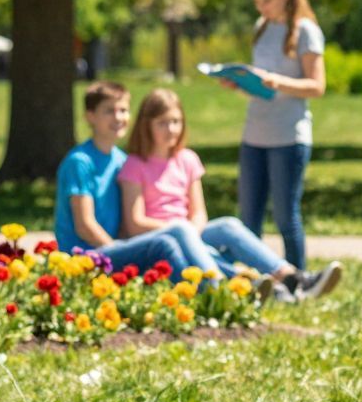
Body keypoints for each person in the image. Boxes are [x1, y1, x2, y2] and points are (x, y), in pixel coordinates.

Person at [118, 88, 341, 300]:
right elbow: (135, 223)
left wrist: (191, 233)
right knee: (193, 240)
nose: (171, 129)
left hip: (190, 231)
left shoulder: (187, 159)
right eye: (162, 123)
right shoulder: (135, 164)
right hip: (160, 237)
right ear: (146, 126)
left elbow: (198, 214)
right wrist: (183, 230)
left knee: (228, 225)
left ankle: (292, 277)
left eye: (176, 122)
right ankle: (235, 288)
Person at [227, 0, 326, 278]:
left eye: (265, 1)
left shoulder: (306, 31)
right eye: (256, 2)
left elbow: (317, 86)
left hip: (288, 137)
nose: (261, 8)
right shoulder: (262, 28)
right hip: (254, 135)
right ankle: (255, 283)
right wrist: (240, 83)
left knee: (285, 216)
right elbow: (262, 88)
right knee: (248, 218)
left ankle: (300, 282)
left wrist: (275, 81)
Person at [53, 82, 210, 276]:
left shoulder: (121, 159)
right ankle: (209, 289)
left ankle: (228, 282)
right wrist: (118, 250)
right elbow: (85, 225)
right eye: (109, 111)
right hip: (86, 256)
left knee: (206, 236)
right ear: (90, 116)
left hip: (117, 246)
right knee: (164, 243)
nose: (118, 117)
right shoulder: (80, 162)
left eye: (123, 110)